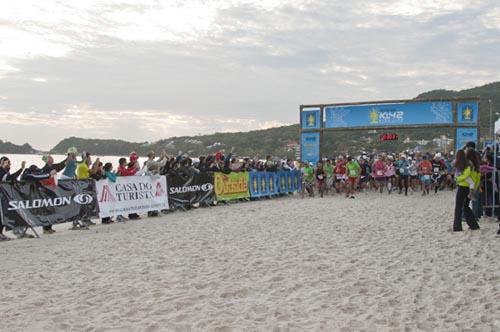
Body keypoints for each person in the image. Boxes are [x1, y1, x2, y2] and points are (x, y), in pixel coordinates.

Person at [453, 149, 480, 232]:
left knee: (458, 207)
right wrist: (475, 188)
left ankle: (457, 227)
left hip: (462, 187)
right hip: (470, 188)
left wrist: (457, 179)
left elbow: (463, 175)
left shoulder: (466, 164)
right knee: (466, 207)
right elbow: (478, 178)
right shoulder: (476, 165)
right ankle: (473, 225)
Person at [0, 157, 26, 241]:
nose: (9, 165)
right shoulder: (1, 171)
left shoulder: (5, 171)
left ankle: (2, 233)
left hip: (5, 196)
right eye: (7, 163)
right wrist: (21, 169)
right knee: (1, 216)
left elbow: (12, 179)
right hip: (1, 196)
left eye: (9, 163)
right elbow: (8, 178)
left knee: (4, 215)